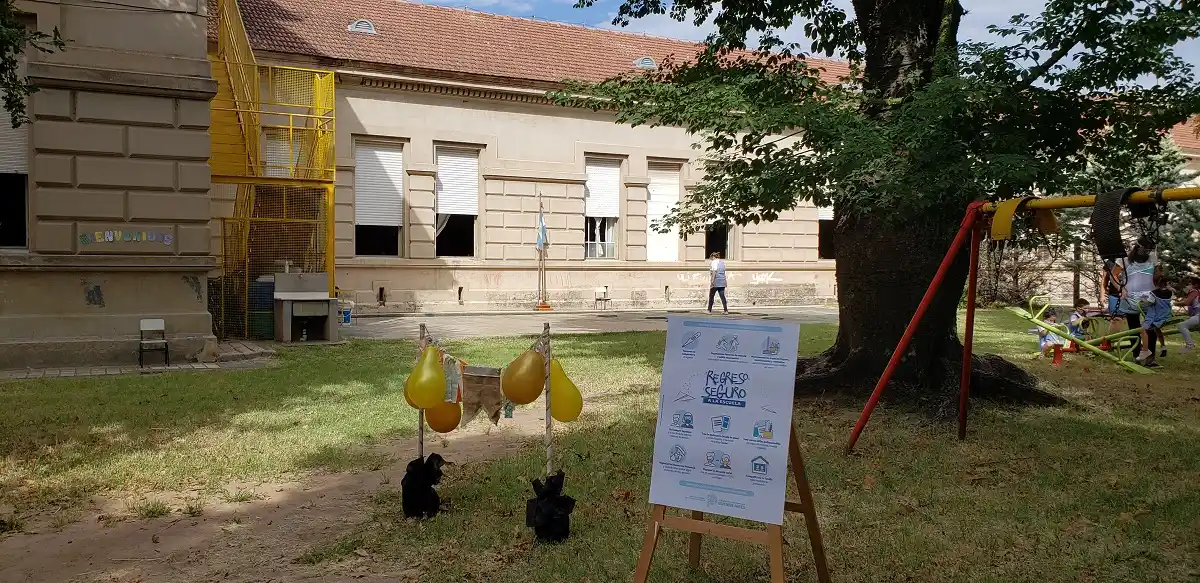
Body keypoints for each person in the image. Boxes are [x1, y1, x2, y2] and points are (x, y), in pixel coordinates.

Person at [1135, 274, 1173, 366]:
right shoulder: (1170, 292)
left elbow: (1150, 302)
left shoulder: (1154, 293)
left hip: (1156, 317)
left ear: (1154, 282)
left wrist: (1143, 300)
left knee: (1143, 329)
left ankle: (1145, 351)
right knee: (1156, 330)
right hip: (1165, 316)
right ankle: (1162, 347)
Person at [1175, 276, 1199, 353]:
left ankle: (1189, 345)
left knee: (1181, 325)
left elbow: (1186, 302)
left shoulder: (1194, 291)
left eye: (1189, 284)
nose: (1187, 286)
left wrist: (1174, 303)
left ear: (1195, 285)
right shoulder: (1196, 292)